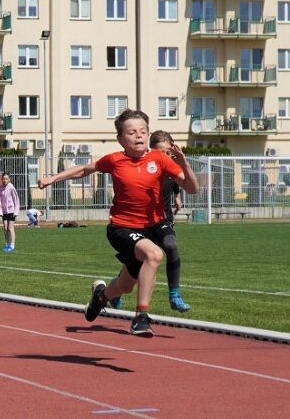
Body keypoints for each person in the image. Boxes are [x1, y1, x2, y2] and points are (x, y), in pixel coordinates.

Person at [38, 109, 198, 336]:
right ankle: (141, 317)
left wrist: (185, 164)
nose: (139, 136)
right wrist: (52, 179)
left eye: (143, 131)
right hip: (122, 228)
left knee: (125, 286)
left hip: (151, 228)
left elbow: (191, 188)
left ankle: (100, 296)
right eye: (132, 133)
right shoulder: (115, 160)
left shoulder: (160, 159)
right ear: (121, 139)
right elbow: (84, 169)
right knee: (154, 255)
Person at [110, 130, 192, 313]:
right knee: (136, 266)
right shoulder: (143, 167)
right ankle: (116, 292)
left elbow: (178, 182)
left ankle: (175, 295)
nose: (165, 157)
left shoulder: (172, 168)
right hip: (138, 222)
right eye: (161, 152)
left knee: (170, 245)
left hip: (161, 219)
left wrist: (177, 196)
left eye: (169, 153)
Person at [0, 172, 20, 252]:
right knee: (5, 227)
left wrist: (16, 211)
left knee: (10, 228)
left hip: (11, 211)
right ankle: (7, 244)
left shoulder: (11, 188)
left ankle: (12, 245)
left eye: (6, 179)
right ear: (1, 179)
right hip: (4, 211)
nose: (5, 180)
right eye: (3, 179)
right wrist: (0, 211)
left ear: (9, 179)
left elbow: (16, 200)